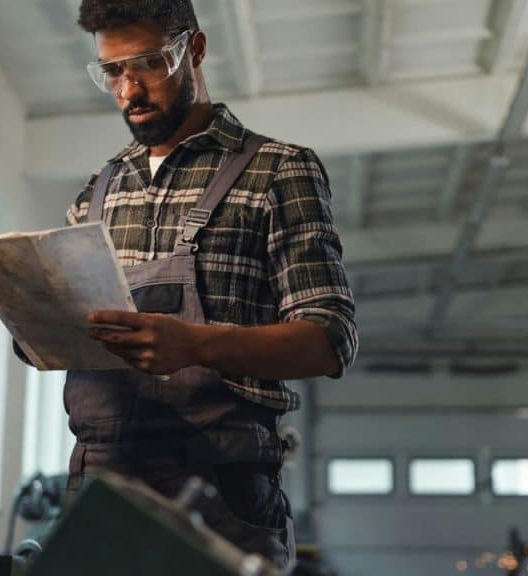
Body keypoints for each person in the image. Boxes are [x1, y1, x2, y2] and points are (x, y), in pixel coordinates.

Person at [49, 0, 358, 568]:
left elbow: (329, 338)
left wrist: (193, 345)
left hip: (223, 489)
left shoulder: (278, 170)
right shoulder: (98, 192)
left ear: (193, 49)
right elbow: (58, 326)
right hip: (98, 482)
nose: (128, 89)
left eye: (145, 64)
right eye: (112, 71)